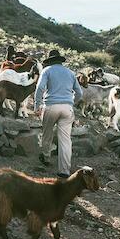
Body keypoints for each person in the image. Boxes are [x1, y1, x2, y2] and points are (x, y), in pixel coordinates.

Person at [34, 50, 83, 178]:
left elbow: (39, 88)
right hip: (67, 108)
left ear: (50, 61)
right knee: (65, 140)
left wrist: (37, 105)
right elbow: (80, 93)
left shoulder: (47, 70)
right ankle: (64, 171)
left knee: (47, 133)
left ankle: (46, 157)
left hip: (51, 106)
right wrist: (71, 102)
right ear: (60, 61)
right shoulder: (71, 73)